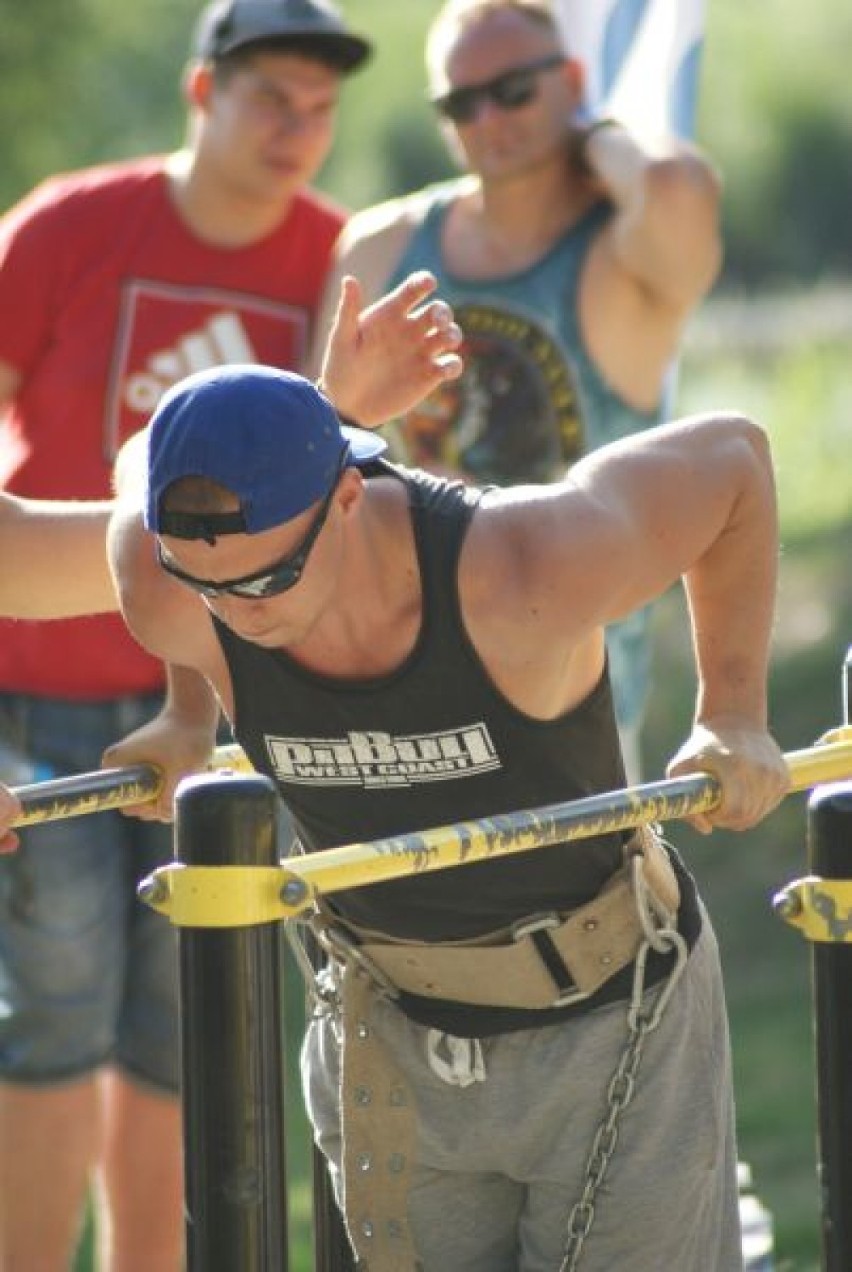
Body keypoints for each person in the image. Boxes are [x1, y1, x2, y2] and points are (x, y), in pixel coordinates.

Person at [108, 361, 789, 1272]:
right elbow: (136, 466)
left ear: (347, 497)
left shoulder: (522, 563)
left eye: (267, 581)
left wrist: (733, 715)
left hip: (610, 1015)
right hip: (386, 1025)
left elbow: (734, 457)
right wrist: (187, 716)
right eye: (203, 586)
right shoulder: (165, 590)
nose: (233, 614)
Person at [0, 0, 463, 1252]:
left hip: (236, 714)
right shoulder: (65, 227)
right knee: (43, 1041)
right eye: (271, 99)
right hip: (36, 698)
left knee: (190, 1041)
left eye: (321, 107)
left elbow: (331, 512)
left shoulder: (336, 266)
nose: (298, 130)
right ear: (202, 94)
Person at [308, 0, 723, 779]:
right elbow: (312, 442)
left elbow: (674, 184)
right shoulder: (384, 242)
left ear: (572, 81)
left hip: (568, 712)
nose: (489, 117)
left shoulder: (618, 256)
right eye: (461, 103)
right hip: (386, 710)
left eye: (515, 90)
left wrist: (593, 132)